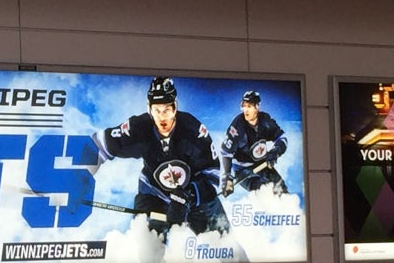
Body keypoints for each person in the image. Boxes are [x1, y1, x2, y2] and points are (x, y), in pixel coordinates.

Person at [91, 77, 229, 235]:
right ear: (149, 109)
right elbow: (98, 145)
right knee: (146, 242)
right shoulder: (138, 128)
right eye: (157, 110)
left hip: (193, 196)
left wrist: (189, 195)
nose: (162, 117)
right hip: (154, 194)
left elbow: (214, 175)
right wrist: (79, 178)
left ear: (175, 108)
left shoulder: (193, 130)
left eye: (167, 110)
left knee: (225, 244)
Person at [219, 90, 288, 196]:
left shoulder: (265, 120)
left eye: (250, 106)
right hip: (243, 170)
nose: (246, 110)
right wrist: (227, 178)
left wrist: (275, 151)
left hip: (262, 164)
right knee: (264, 192)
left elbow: (282, 138)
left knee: (282, 191)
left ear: (257, 107)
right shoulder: (237, 127)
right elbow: (226, 153)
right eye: (244, 106)